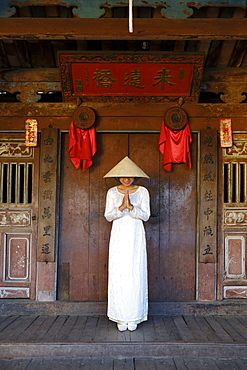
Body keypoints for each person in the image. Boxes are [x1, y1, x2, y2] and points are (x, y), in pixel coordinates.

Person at [104, 156, 150, 332]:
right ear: (118, 177)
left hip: (136, 235)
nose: (127, 179)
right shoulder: (112, 192)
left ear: (135, 176)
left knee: (135, 270)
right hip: (119, 234)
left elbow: (146, 216)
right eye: (123, 176)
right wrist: (121, 207)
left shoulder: (143, 192)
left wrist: (132, 207)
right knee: (119, 272)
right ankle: (120, 316)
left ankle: (135, 316)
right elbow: (108, 216)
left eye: (130, 176)